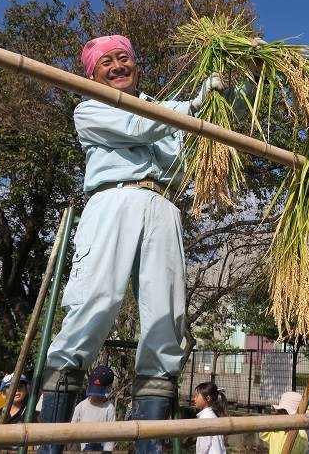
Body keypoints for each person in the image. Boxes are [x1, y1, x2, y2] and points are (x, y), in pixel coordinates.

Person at [38, 34, 224, 454]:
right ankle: (50, 445)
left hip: (163, 205)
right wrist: (189, 106)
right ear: (92, 73)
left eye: (125, 58)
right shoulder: (89, 110)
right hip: (112, 200)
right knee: (95, 300)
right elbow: (139, 124)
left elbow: (183, 153)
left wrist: (216, 100)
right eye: (107, 62)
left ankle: (148, 446)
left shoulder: (164, 114)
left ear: (136, 67)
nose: (117, 65)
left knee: (166, 316)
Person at [70, 365, 117, 452]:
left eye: (99, 391)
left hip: (100, 449)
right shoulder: (81, 406)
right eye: (94, 391)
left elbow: (111, 435)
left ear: (109, 388)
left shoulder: (109, 409)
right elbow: (72, 430)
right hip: (81, 449)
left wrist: (107, 451)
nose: (95, 396)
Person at [0, 373, 29, 454]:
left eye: (21, 386)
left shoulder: (30, 413)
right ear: (2, 394)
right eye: (12, 387)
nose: (17, 390)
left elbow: (31, 446)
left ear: (26, 390)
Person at [192, 381, 228, 454]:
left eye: (197, 396)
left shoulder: (206, 418)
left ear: (208, 398)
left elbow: (203, 446)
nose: (194, 399)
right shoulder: (212, 416)